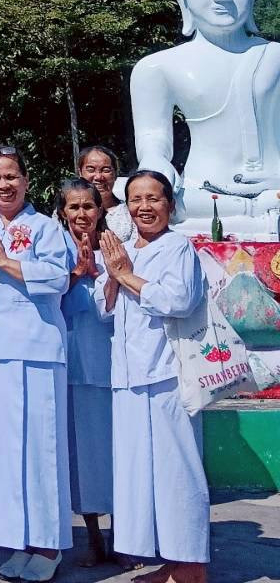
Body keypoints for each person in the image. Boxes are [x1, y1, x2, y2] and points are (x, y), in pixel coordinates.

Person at [0, 147, 71, 583]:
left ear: (26, 179)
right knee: (2, 454)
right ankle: (19, 541)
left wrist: (5, 261)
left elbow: (58, 279)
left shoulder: (45, 228)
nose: (3, 185)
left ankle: (48, 545)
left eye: (11, 177)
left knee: (39, 449)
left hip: (35, 351)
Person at [97, 171, 209, 583]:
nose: (144, 207)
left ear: (170, 205)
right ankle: (170, 562)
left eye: (153, 198)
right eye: (136, 200)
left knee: (178, 473)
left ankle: (192, 567)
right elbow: (102, 308)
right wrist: (113, 274)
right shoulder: (123, 249)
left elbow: (178, 299)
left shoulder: (178, 246)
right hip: (127, 377)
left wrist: (125, 274)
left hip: (167, 378)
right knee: (141, 477)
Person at [55, 178, 116, 566]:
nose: (81, 215)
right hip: (74, 368)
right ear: (63, 213)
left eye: (88, 207)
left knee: (117, 453)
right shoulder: (51, 245)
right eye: (73, 208)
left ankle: (128, 538)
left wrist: (97, 271)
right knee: (84, 457)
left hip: (113, 365)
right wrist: (77, 272)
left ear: (100, 211)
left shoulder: (116, 248)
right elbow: (44, 297)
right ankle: (94, 539)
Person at [77, 145, 135, 243]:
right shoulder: (67, 211)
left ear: (115, 174)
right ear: (80, 173)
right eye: (91, 170)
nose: (98, 177)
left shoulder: (131, 213)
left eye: (106, 170)